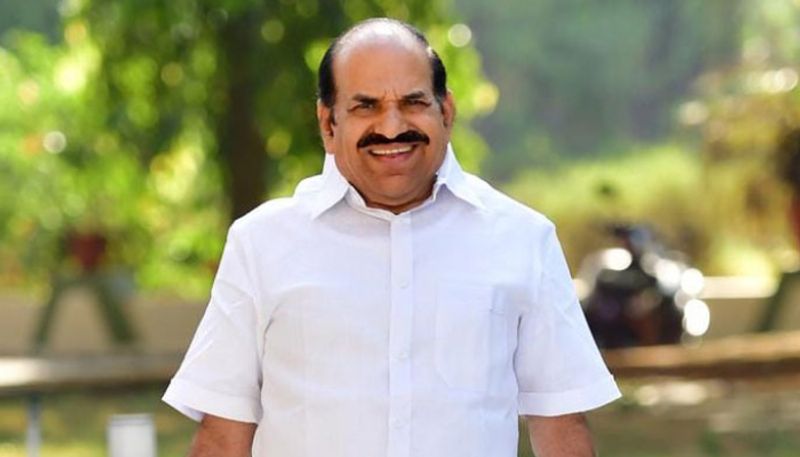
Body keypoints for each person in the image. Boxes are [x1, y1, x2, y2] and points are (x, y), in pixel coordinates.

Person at [163, 17, 621, 457]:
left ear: (446, 112)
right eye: (366, 106)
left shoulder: (523, 241)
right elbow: (222, 436)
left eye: (413, 102)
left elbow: (561, 425)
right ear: (328, 124)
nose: (391, 126)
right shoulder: (260, 244)